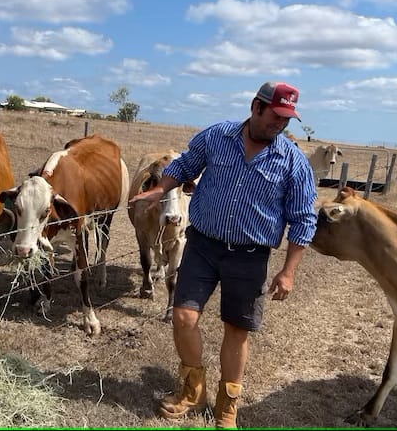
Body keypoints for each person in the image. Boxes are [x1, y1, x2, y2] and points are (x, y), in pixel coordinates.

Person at [130, 81, 317, 428]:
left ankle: (227, 404)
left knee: (236, 330)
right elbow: (185, 166)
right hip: (202, 245)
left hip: (249, 256)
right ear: (256, 107)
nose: (280, 125)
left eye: (287, 119)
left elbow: (303, 218)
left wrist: (288, 271)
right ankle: (193, 389)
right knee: (183, 318)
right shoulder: (217, 137)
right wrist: (159, 191)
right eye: (275, 116)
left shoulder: (292, 161)